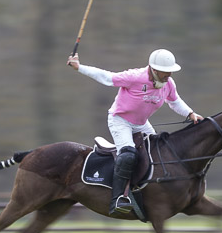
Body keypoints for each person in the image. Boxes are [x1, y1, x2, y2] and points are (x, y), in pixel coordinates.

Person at [68, 48, 203, 216]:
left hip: (141, 124)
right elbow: (107, 77)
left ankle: (147, 192)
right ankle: (118, 198)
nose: (169, 75)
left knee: (157, 153)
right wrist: (79, 67)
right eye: (166, 72)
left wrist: (191, 113)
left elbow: (175, 102)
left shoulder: (168, 84)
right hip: (120, 121)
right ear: (154, 69)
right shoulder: (135, 77)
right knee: (128, 155)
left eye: (171, 71)